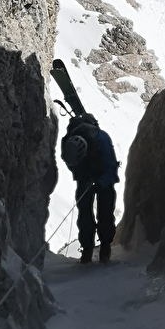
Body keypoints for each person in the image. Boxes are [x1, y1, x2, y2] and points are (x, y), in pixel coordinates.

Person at [61, 112, 120, 264]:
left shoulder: (102, 140)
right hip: (84, 175)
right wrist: (83, 178)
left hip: (103, 174)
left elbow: (111, 169)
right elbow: (71, 162)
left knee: (105, 212)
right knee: (85, 213)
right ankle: (88, 247)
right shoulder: (68, 144)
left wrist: (100, 183)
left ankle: (105, 245)